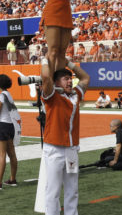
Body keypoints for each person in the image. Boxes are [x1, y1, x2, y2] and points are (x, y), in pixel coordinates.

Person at [40, 55, 90, 215]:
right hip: (54, 150)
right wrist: (45, 60)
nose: (69, 81)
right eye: (65, 79)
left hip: (71, 150)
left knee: (72, 189)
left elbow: (85, 77)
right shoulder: (51, 96)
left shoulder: (75, 94)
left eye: (70, 79)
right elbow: (46, 78)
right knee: (53, 191)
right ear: (56, 83)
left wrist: (68, 62)